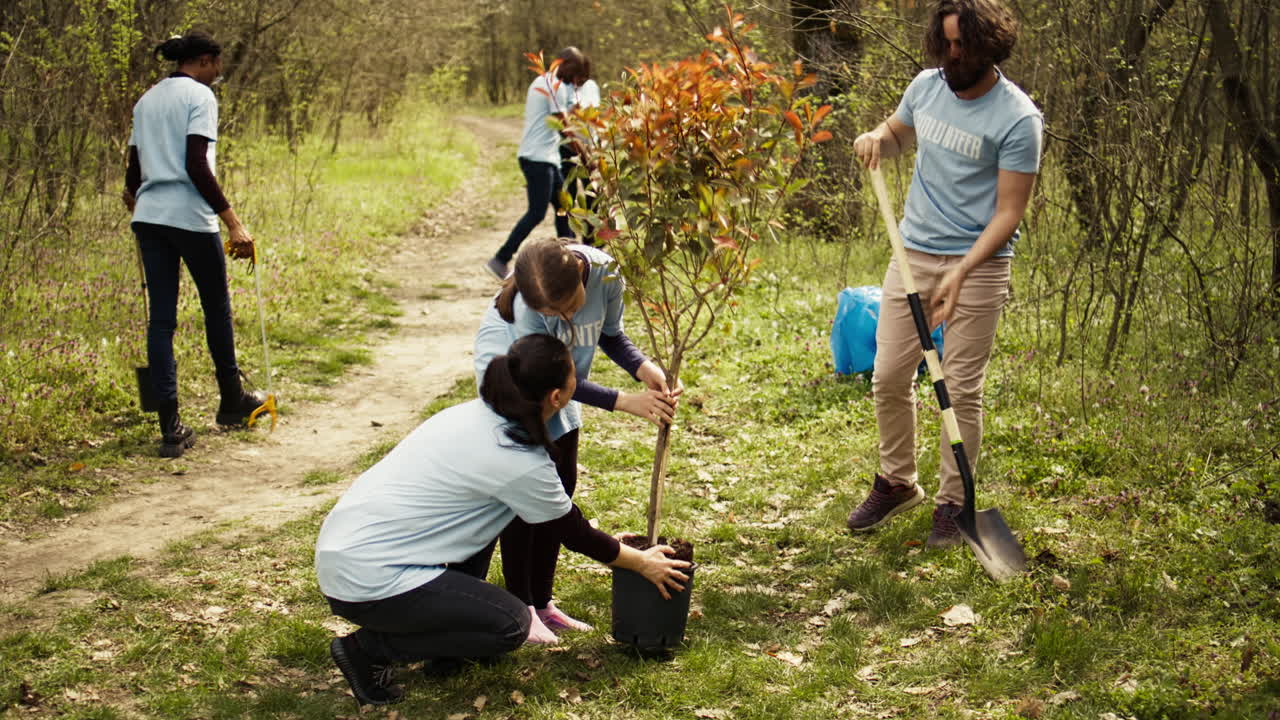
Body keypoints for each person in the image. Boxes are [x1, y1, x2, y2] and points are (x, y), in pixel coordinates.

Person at [315, 334, 690, 706]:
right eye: (574, 375)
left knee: (482, 566)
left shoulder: (476, 414)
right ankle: (367, 650)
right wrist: (641, 562)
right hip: (370, 578)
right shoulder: (516, 457)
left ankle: (445, 649)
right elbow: (572, 531)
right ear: (557, 397)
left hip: (346, 551)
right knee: (509, 624)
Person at [844, 0, 1042, 546]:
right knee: (888, 375)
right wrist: (876, 139)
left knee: (960, 389)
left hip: (979, 266)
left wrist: (964, 271)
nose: (954, 56)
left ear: (990, 47)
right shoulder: (927, 87)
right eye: (948, 44)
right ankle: (897, 482)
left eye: (965, 47)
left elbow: (1009, 211)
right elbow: (896, 133)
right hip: (912, 254)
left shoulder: (1018, 118)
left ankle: (954, 505)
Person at [474, 238, 680, 642]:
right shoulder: (524, 310)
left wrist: (643, 367)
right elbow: (549, 378)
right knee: (528, 497)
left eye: (570, 306)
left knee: (562, 485)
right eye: (554, 314)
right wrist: (623, 401)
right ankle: (522, 608)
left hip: (563, 387)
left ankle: (543, 602)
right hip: (519, 385)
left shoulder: (607, 273)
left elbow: (610, 334)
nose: (567, 318)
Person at [123, 31, 264, 458]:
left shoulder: (146, 100)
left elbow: (132, 174)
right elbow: (196, 165)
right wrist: (234, 224)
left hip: (149, 218)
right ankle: (231, 402)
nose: (219, 72)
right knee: (215, 308)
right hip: (189, 217)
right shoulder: (200, 97)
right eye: (217, 64)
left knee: (161, 322)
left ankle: (170, 427)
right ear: (204, 60)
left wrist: (139, 202)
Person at [484, 47, 590, 279]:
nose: (575, 84)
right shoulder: (555, 87)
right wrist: (586, 158)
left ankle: (570, 262)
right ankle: (501, 258)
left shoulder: (542, 81)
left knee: (565, 210)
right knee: (536, 212)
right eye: (576, 77)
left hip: (546, 158)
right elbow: (567, 129)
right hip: (538, 159)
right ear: (570, 69)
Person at [560, 65, 601, 244]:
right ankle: (567, 243)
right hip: (567, 149)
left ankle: (590, 242)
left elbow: (595, 116)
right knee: (566, 198)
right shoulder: (562, 88)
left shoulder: (591, 87)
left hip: (590, 148)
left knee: (593, 197)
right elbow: (560, 120)